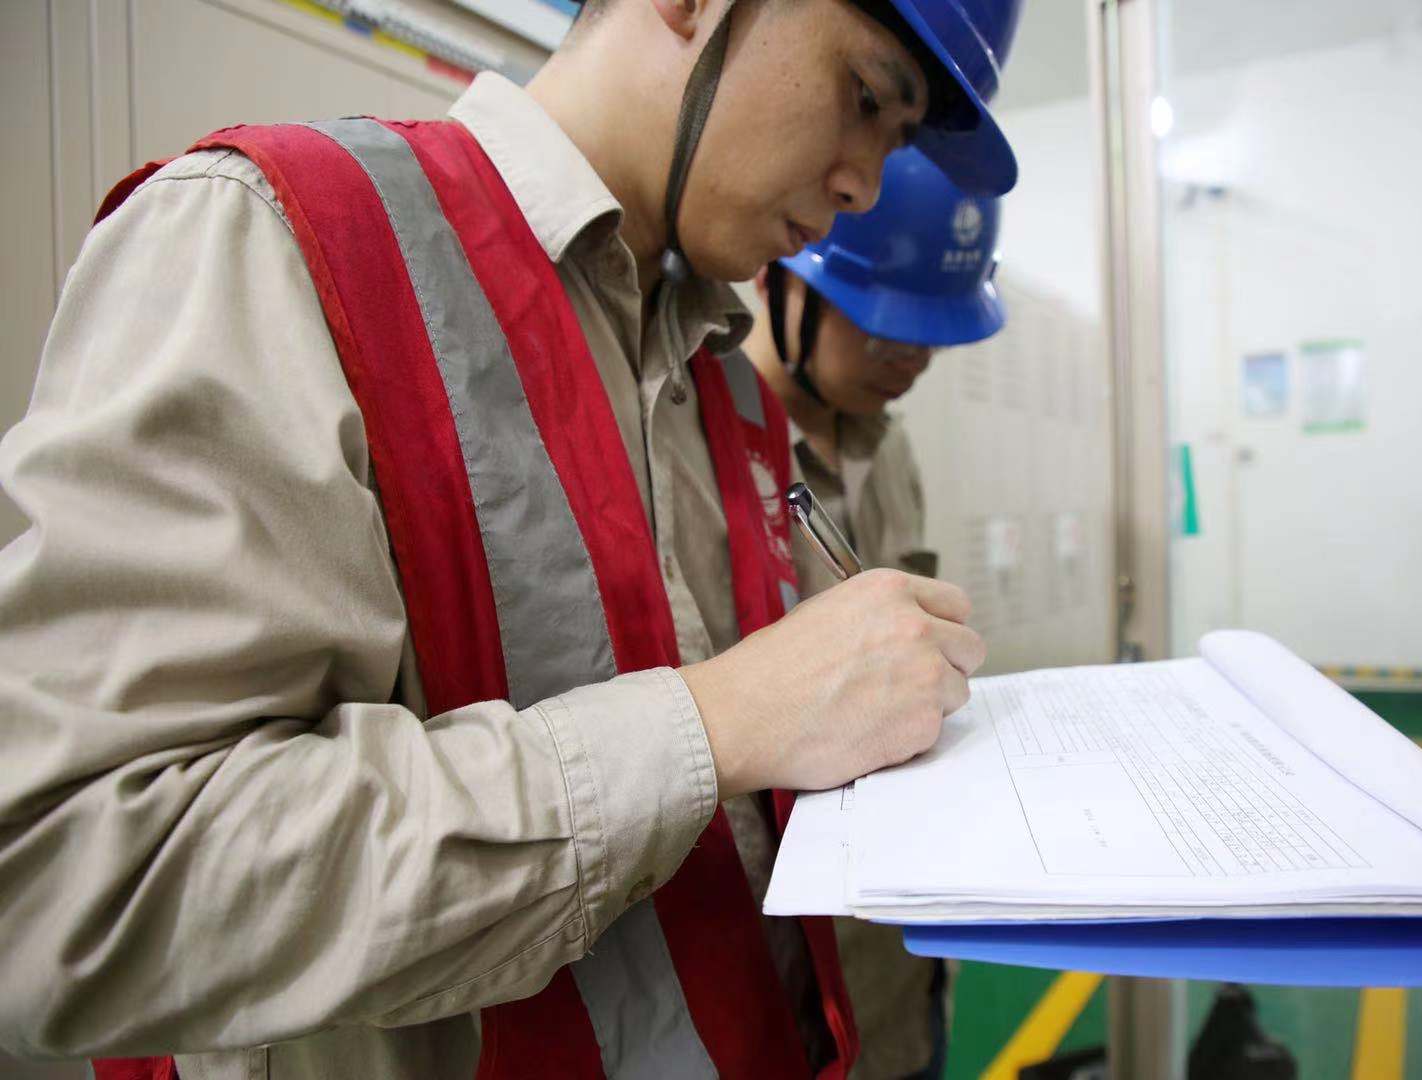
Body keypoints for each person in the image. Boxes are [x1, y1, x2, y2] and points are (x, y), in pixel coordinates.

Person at [0, 0, 1018, 1076]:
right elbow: (65, 884)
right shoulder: (271, 241)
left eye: (897, 138)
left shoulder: (724, 382)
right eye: (864, 97)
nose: (865, 185)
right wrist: (714, 724)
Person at [741, 146, 1006, 1078]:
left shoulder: (886, 448)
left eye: (933, 333)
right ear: (783, 276)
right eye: (888, 326)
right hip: (785, 993)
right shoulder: (706, 449)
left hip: (902, 966)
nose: (916, 360)